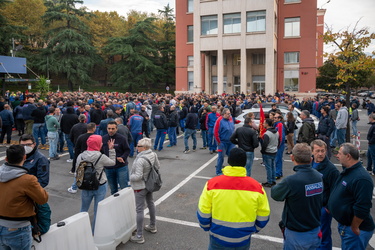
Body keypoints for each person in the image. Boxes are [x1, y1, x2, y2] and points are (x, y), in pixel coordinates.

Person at [197, 147, 270, 249]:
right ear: (244, 163)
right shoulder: (257, 187)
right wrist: (253, 230)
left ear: (229, 161)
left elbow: (203, 212)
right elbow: (263, 215)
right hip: (243, 239)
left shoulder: (212, 184)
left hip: (217, 237)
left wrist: (206, 227)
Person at [271, 143, 323, 249]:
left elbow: (275, 194)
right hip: (315, 230)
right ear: (311, 159)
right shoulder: (318, 176)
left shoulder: (291, 181)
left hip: (296, 234)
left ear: (292, 158)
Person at [0, 145, 49, 250]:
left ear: (6, 159)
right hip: (18, 228)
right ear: (24, 158)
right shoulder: (27, 180)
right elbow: (42, 199)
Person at [328, 143, 374, 250]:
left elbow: (363, 207)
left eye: (339, 153)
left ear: (348, 156)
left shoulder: (362, 179)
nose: (337, 156)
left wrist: (354, 226)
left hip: (354, 230)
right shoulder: (348, 170)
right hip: (346, 226)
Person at [76, 135, 115, 232]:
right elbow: (112, 163)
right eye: (100, 142)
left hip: (85, 185)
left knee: (83, 209)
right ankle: (94, 232)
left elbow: (78, 170)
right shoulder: (101, 156)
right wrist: (111, 150)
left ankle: (81, 230)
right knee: (97, 210)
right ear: (98, 144)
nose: (102, 143)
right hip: (100, 184)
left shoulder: (80, 156)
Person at [129, 138, 160, 244]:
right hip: (149, 184)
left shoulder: (140, 160)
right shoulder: (153, 154)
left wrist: (130, 177)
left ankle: (139, 235)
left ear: (144, 148)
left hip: (140, 186)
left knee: (139, 210)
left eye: (138, 146)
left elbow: (137, 176)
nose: (136, 147)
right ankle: (152, 225)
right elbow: (157, 166)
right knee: (151, 203)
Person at [311, 139, 340, 249]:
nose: (320, 154)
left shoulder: (331, 170)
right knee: (313, 234)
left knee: (324, 235)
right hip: (311, 206)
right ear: (312, 151)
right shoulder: (310, 163)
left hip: (323, 208)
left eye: (322, 151)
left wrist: (328, 208)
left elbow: (336, 190)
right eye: (317, 151)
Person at [102, 121, 131, 194]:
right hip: (109, 168)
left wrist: (123, 157)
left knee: (124, 187)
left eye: (112, 129)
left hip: (121, 167)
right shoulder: (103, 139)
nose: (110, 130)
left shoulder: (122, 138)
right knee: (113, 189)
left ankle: (125, 203)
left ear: (116, 129)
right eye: (109, 128)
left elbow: (127, 150)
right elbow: (101, 152)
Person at [214, 108, 235, 175]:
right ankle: (218, 171)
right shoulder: (219, 120)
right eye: (228, 114)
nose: (229, 115)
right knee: (221, 157)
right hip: (222, 142)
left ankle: (232, 170)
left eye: (230, 113)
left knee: (232, 156)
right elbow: (215, 132)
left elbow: (232, 128)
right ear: (223, 114)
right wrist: (219, 142)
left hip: (231, 142)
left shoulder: (231, 119)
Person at [261, 118, 279, 187]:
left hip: (268, 152)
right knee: (273, 166)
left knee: (268, 167)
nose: (263, 124)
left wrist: (263, 151)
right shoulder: (276, 132)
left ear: (267, 124)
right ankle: (273, 180)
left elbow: (265, 144)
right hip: (274, 151)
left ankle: (269, 181)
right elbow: (278, 141)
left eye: (264, 123)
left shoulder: (267, 134)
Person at [273, 112, 285, 179]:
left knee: (278, 159)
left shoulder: (279, 125)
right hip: (278, 144)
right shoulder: (276, 124)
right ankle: (279, 172)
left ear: (279, 119)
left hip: (279, 145)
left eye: (275, 118)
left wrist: (278, 145)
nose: (274, 119)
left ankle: (278, 173)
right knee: (278, 159)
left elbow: (281, 136)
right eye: (274, 117)